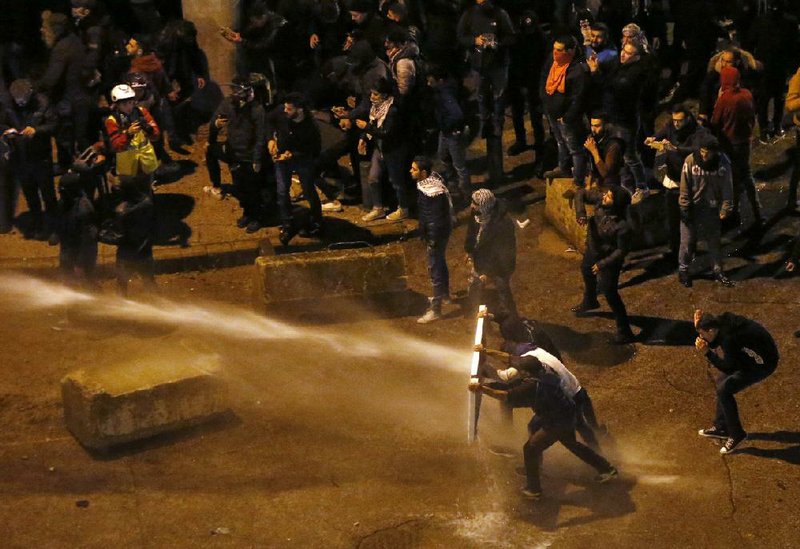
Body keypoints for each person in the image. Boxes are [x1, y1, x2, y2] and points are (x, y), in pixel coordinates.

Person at [469, 354, 617, 499]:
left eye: (521, 370)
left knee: (530, 448)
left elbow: (505, 396)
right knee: (559, 438)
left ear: (527, 372)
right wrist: (487, 352)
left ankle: (534, 489)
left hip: (557, 421)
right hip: (566, 412)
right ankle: (606, 468)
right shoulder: (545, 372)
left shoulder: (533, 386)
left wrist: (481, 389)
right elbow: (513, 365)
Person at [694, 309, 778, 454]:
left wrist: (707, 352)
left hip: (762, 364)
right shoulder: (722, 323)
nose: (701, 337)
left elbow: (728, 367)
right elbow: (718, 340)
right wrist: (699, 325)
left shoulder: (729, 339)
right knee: (722, 383)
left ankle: (736, 434)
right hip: (751, 354)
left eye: (702, 334)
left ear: (712, 330)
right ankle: (722, 426)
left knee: (724, 390)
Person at [457, 0, 516, 187]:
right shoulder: (469, 14)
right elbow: (460, 36)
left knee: (499, 96)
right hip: (479, 65)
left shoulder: (500, 13)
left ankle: (497, 122)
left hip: (498, 65)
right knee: (481, 97)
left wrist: (497, 42)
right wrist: (475, 41)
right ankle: (484, 121)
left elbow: (512, 36)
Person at [645, 104, 710, 263]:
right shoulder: (671, 126)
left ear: (688, 118)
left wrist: (675, 148)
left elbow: (696, 149)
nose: (676, 124)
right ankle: (674, 249)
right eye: (674, 120)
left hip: (689, 180)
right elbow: (663, 132)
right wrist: (654, 138)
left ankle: (690, 251)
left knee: (687, 219)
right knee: (672, 218)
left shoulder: (698, 132)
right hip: (673, 179)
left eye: (680, 121)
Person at [572, 185, 635, 344]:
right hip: (593, 249)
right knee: (586, 270)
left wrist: (602, 264)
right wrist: (580, 212)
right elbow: (580, 194)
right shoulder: (601, 201)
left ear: (616, 205)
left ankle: (625, 331)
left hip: (609, 261)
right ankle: (590, 300)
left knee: (610, 293)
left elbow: (621, 251)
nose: (604, 196)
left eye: (609, 196)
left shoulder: (623, 227)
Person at [207, 79, 266, 233]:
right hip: (234, 152)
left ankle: (257, 217)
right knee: (240, 186)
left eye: (237, 91)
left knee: (252, 188)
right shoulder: (229, 104)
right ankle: (247, 213)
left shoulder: (257, 110)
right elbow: (214, 120)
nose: (234, 94)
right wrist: (217, 124)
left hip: (249, 155)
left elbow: (260, 136)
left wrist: (257, 159)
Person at [677, 135, 735, 288]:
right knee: (687, 242)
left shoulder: (723, 164)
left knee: (714, 241)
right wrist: (684, 207)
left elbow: (727, 187)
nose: (704, 155)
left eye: (708, 152)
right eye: (702, 151)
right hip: (692, 207)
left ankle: (718, 271)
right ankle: (683, 270)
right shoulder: (690, 161)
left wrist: (726, 207)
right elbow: (684, 186)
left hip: (711, 208)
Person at [268, 92, 323, 244]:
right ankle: (287, 223)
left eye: (289, 109)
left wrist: (293, 154)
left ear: (299, 110)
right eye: (285, 107)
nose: (285, 111)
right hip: (281, 157)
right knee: (282, 190)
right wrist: (271, 140)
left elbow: (314, 149)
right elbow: (269, 121)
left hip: (302, 160)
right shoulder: (281, 112)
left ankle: (316, 221)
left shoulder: (310, 126)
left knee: (308, 190)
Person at [711, 66, 761, 234]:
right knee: (746, 177)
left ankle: (734, 213)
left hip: (729, 145)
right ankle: (758, 213)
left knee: (731, 180)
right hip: (744, 142)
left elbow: (715, 121)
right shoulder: (746, 94)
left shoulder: (725, 99)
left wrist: (719, 99)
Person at [540, 35, 589, 193]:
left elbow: (579, 98)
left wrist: (567, 117)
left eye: (560, 50)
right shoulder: (553, 61)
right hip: (552, 113)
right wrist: (546, 103)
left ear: (570, 51)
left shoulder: (577, 70)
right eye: (554, 49)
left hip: (566, 118)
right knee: (560, 142)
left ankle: (579, 180)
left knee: (575, 148)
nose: (555, 53)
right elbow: (544, 79)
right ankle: (563, 168)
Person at [412, 156, 453, 324]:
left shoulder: (432, 192)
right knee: (440, 262)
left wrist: (432, 238)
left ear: (423, 173)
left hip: (436, 235)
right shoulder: (430, 184)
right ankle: (445, 296)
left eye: (413, 169)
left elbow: (434, 217)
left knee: (434, 269)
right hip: (440, 232)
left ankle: (436, 309)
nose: (410, 171)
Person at [464, 188, 517, 318]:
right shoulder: (477, 214)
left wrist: (487, 272)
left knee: (502, 289)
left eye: (475, 204)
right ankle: (474, 310)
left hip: (500, 266)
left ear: (484, 206)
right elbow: (471, 232)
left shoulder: (503, 224)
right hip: (480, 258)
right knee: (475, 285)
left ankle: (509, 320)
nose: (471, 206)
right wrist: (469, 251)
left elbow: (501, 253)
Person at [104, 83, 160, 179]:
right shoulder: (112, 120)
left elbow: (156, 134)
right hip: (128, 162)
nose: (129, 107)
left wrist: (149, 130)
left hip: (145, 159)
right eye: (124, 104)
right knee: (129, 189)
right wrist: (128, 134)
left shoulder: (142, 112)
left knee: (147, 185)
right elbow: (116, 145)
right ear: (117, 105)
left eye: (130, 103)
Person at [113, 173, 156, 297]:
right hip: (145, 252)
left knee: (121, 286)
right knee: (149, 282)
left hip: (126, 254)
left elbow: (119, 234)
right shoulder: (147, 202)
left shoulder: (122, 210)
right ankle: (158, 308)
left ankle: (122, 311)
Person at [56, 172, 98, 288]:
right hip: (68, 249)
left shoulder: (84, 209)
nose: (60, 193)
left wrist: (80, 264)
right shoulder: (65, 202)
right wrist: (56, 234)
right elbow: (61, 221)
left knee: (86, 282)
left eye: (62, 191)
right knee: (67, 280)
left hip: (82, 254)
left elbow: (88, 240)